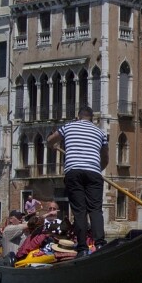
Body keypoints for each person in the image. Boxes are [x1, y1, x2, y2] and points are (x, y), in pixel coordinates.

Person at [47, 106, 108, 258]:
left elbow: (50, 140)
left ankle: (82, 249)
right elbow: (105, 158)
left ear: (78, 116)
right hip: (94, 173)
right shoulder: (100, 132)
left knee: (80, 211)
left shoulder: (68, 126)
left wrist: (52, 146)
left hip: (73, 172)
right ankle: (100, 244)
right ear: (92, 118)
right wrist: (97, 169)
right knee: (95, 210)